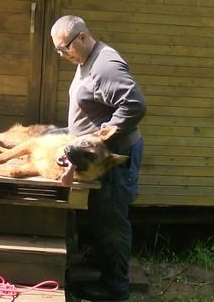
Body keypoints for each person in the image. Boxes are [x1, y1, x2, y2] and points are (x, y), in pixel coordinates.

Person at [51, 15, 147, 301]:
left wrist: (97, 139)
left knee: (112, 222)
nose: (62, 54)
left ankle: (115, 290)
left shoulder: (105, 65)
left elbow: (134, 105)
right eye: (58, 50)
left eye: (64, 47)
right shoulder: (85, 61)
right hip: (94, 159)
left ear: (81, 37)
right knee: (100, 217)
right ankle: (102, 268)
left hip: (113, 160)